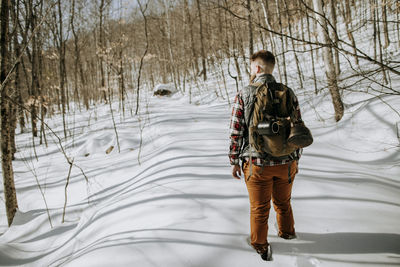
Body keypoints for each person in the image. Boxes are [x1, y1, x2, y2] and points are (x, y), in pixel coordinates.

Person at [228, 50, 303, 261]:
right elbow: (298, 127)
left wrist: (234, 160)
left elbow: (236, 130)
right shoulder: (288, 92)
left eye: (252, 67)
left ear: (258, 68)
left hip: (257, 163)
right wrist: (295, 158)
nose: (251, 70)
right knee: (283, 203)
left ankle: (260, 246)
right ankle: (288, 234)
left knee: (259, 209)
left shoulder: (244, 93)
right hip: (287, 162)